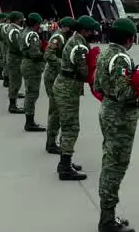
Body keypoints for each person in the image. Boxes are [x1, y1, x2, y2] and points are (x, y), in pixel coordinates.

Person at [93, 18, 139, 232]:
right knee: (115, 165)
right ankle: (107, 220)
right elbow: (125, 94)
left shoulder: (105, 54)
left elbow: (97, 85)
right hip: (119, 118)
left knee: (111, 161)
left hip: (108, 109)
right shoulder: (120, 58)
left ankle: (108, 214)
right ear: (129, 38)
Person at [52, 15, 99, 181]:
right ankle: (65, 167)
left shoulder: (77, 41)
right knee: (71, 127)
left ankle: (65, 162)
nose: (94, 32)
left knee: (67, 125)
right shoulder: (79, 47)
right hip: (68, 88)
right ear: (84, 31)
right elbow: (84, 72)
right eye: (91, 30)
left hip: (66, 86)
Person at [43, 17, 75, 155]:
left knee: (56, 110)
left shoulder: (62, 37)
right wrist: (63, 63)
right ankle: (51, 143)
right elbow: (48, 55)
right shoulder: (58, 38)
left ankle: (52, 141)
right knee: (55, 111)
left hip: (56, 75)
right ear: (67, 27)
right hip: (53, 76)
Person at [20, 13, 48, 132]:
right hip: (32, 66)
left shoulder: (24, 32)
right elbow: (34, 54)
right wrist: (46, 54)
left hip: (26, 64)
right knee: (32, 94)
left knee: (29, 92)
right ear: (36, 24)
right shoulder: (32, 35)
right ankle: (29, 122)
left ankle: (29, 120)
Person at [4, 11, 25, 113]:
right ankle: (12, 105)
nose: (22, 20)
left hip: (14, 58)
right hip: (15, 59)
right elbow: (18, 46)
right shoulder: (14, 31)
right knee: (15, 81)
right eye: (21, 19)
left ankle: (14, 100)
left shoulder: (13, 29)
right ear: (17, 20)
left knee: (15, 80)